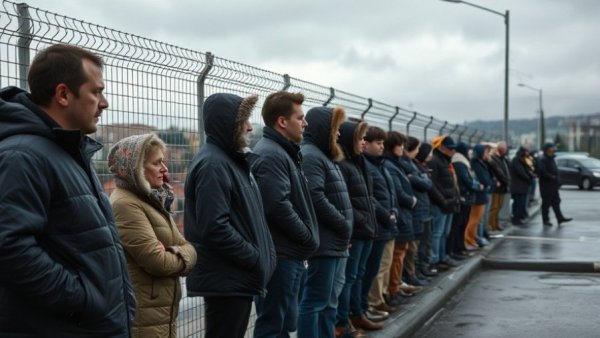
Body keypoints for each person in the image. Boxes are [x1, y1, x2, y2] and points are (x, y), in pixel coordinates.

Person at [0, 44, 135, 336]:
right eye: (96, 92)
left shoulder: (68, 153)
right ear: (63, 94)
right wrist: (83, 298)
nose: (105, 102)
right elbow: (10, 247)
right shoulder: (22, 156)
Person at [184, 93, 276, 338]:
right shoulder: (214, 164)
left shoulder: (229, 160)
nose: (249, 126)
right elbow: (214, 226)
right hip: (227, 279)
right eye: (243, 120)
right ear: (227, 123)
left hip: (234, 277)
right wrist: (255, 257)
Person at [108, 134, 197, 338]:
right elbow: (159, 262)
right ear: (136, 168)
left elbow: (187, 246)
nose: (164, 169)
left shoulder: (150, 200)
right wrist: (183, 253)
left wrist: (176, 250)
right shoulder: (125, 204)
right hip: (144, 318)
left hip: (159, 315)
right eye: (157, 163)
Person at [251, 91, 319, 338]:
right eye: (300, 117)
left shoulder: (283, 151)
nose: (305, 123)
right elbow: (277, 205)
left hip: (287, 252)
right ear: (282, 121)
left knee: (283, 323)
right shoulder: (271, 154)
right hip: (280, 255)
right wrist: (307, 237)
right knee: (272, 325)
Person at [298, 105, 352, 338]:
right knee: (315, 302)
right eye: (335, 128)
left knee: (329, 302)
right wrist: (342, 223)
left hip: (335, 242)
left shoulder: (324, 156)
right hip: (325, 243)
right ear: (324, 129)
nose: (339, 134)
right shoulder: (311, 156)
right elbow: (315, 196)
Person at [336, 120, 382, 335]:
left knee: (358, 275)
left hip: (365, 229)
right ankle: (343, 321)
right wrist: (363, 221)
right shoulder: (344, 164)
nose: (363, 143)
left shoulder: (358, 163)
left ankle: (357, 313)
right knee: (348, 278)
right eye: (360, 138)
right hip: (356, 231)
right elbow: (344, 202)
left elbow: (367, 198)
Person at [363, 126, 398, 320]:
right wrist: (386, 214)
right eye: (378, 143)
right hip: (378, 223)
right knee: (376, 267)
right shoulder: (368, 165)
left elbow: (388, 192)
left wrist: (393, 211)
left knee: (384, 264)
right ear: (366, 144)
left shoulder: (380, 164)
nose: (381, 147)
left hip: (387, 221)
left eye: (383, 143)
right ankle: (373, 301)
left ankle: (379, 298)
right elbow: (370, 196)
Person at [382, 131, 422, 302]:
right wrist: (411, 200)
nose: (403, 148)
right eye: (400, 145)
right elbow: (397, 192)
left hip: (403, 214)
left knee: (400, 254)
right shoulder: (390, 165)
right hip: (400, 214)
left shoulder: (394, 164)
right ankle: (393, 288)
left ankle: (396, 286)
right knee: (396, 256)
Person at [428, 136, 461, 271]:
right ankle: (435, 259)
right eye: (450, 148)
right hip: (440, 204)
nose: (452, 151)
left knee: (444, 233)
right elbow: (433, 185)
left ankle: (442, 257)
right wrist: (443, 201)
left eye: (453, 149)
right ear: (441, 148)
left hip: (448, 202)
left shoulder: (445, 161)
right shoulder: (435, 161)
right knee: (437, 233)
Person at [450, 142, 481, 256]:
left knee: (463, 224)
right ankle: (458, 248)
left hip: (465, 196)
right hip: (464, 196)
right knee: (460, 224)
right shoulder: (460, 162)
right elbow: (466, 179)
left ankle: (461, 247)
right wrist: (477, 186)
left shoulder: (462, 161)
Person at [538, 142, 572, 226]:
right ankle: (545, 220)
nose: (554, 149)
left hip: (553, 186)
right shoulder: (543, 159)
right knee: (546, 203)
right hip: (546, 186)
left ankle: (560, 218)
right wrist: (551, 177)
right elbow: (542, 172)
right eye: (552, 148)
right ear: (547, 150)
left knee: (556, 202)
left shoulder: (551, 158)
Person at [488, 141, 511, 231]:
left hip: (502, 185)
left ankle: (496, 224)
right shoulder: (494, 158)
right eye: (504, 149)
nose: (505, 151)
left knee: (499, 206)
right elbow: (498, 172)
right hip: (497, 186)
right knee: (495, 206)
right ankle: (491, 225)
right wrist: (505, 180)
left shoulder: (502, 159)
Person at [510, 147, 535, 225]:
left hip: (522, 186)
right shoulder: (516, 160)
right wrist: (529, 177)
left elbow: (530, 168)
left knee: (522, 203)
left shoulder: (523, 160)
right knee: (518, 203)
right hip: (518, 186)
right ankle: (516, 219)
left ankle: (520, 217)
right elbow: (521, 172)